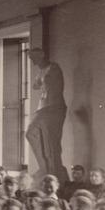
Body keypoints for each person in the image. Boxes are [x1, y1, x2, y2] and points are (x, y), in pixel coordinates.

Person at [25, 48, 67, 182]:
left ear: (42, 54)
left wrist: (41, 80)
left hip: (54, 109)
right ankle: (44, 168)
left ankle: (54, 172)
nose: (31, 60)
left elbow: (52, 87)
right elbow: (36, 86)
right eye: (30, 58)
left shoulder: (53, 68)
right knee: (31, 134)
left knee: (52, 144)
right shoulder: (41, 72)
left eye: (33, 57)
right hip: (42, 110)